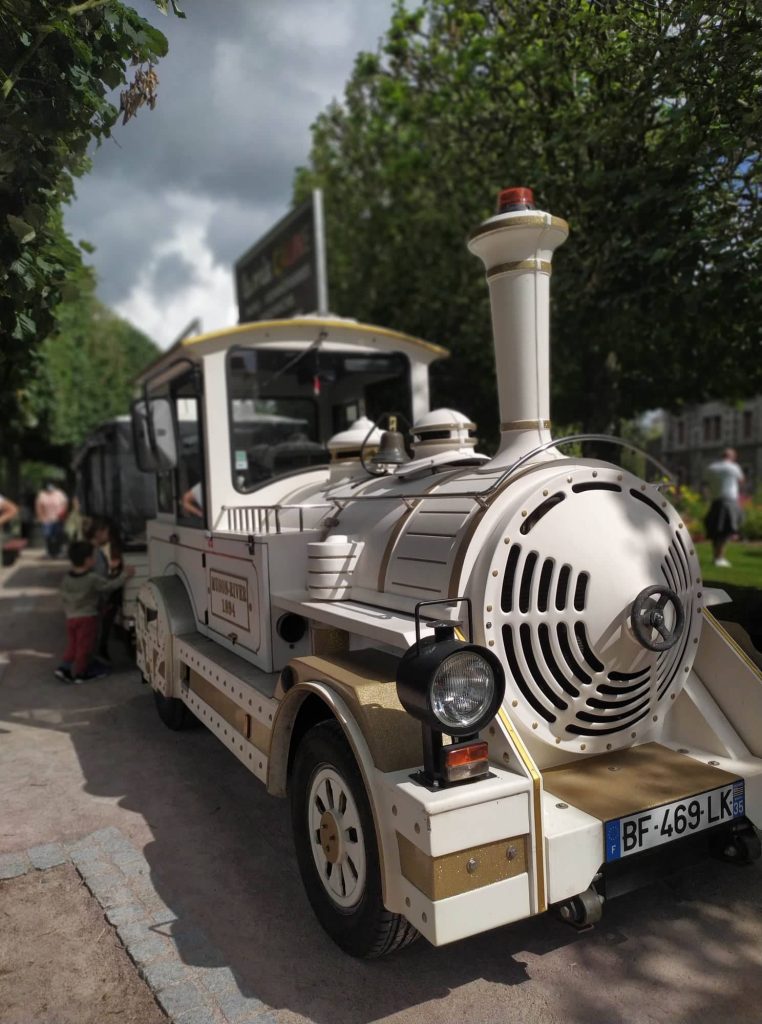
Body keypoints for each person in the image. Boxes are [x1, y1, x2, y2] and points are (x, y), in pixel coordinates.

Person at [55, 540, 134, 683]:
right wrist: (124, 575)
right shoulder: (92, 578)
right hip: (87, 618)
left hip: (71, 617)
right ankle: (81, 673)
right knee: (84, 646)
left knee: (73, 645)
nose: (95, 559)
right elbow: (109, 586)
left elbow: (63, 595)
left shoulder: (67, 578)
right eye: (93, 557)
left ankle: (64, 668)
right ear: (87, 561)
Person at [704, 448, 745, 568]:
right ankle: (720, 558)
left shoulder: (711, 467)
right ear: (732, 457)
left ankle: (716, 557)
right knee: (725, 530)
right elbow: (741, 481)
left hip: (715, 500)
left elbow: (706, 483)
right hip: (729, 500)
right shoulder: (733, 467)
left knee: (716, 530)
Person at [35, 481, 68, 557]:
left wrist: (63, 514)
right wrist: (41, 517)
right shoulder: (42, 495)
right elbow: (38, 506)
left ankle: (58, 550)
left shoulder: (60, 494)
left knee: (58, 535)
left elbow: (65, 504)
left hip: (58, 519)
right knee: (48, 536)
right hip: (46, 519)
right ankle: (50, 551)